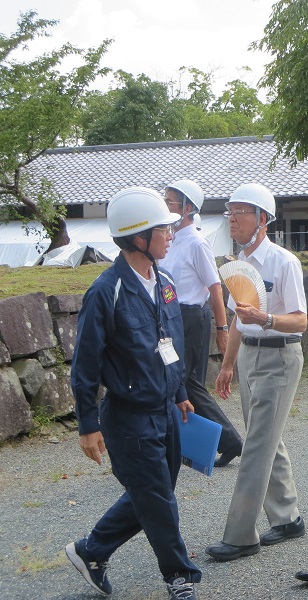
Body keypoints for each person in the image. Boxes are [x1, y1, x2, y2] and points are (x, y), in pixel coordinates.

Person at [66, 187, 201, 600]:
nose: (171, 234)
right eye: (163, 228)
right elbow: (85, 366)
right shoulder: (106, 292)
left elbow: (170, 340)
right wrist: (88, 425)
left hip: (165, 409)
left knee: (153, 494)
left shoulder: (165, 281)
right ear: (137, 237)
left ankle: (91, 551)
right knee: (157, 499)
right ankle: (179, 577)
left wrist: (178, 390)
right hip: (128, 418)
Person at [205, 183, 308, 562]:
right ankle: (288, 518)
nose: (232, 217)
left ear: (262, 219)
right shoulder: (240, 263)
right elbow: (236, 318)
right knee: (267, 439)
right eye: (230, 210)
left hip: (280, 357)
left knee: (257, 445)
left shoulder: (284, 262)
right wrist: (228, 365)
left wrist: (265, 318)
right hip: (249, 356)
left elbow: (301, 320)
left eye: (241, 211)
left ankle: (241, 535)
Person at [158, 179, 243, 468]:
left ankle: (230, 441)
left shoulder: (196, 241)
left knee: (186, 382)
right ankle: (189, 443)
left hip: (192, 317)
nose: (166, 205)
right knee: (178, 382)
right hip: (171, 315)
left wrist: (222, 328)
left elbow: (215, 287)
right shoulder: (169, 239)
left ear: (188, 208)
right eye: (166, 200)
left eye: (171, 202)